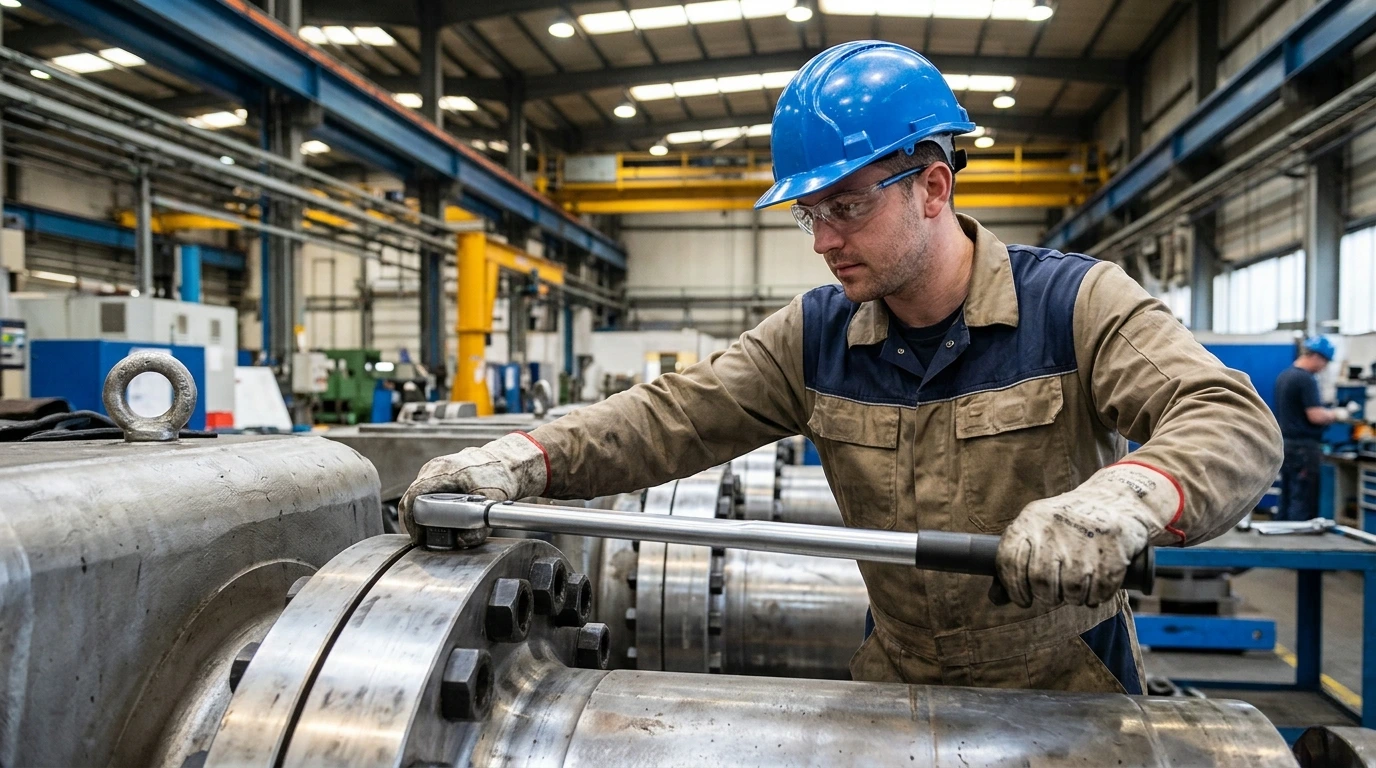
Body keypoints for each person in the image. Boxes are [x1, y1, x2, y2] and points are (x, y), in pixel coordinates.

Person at [400, 41, 1282, 695]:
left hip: (1067, 683)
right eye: (809, 215)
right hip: (892, 680)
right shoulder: (817, 337)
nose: (824, 241)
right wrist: (518, 458)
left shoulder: (1072, 307)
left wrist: (1125, 497)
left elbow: (1229, 418)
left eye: (848, 208)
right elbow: (672, 415)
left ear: (933, 188)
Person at [1274, 337, 1351, 521]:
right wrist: (1337, 414)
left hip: (1286, 445)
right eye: (1325, 361)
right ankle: (1297, 544)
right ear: (1316, 356)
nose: (1324, 367)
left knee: (1287, 497)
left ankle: (1282, 544)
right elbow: (1315, 415)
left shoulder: (1285, 376)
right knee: (1302, 500)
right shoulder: (1305, 379)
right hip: (1304, 449)